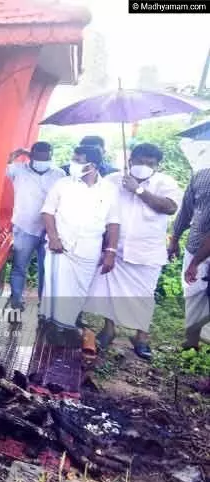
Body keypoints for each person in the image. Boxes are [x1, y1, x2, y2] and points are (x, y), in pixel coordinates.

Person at [83, 144, 181, 360]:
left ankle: (141, 338)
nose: (144, 166)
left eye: (150, 164)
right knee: (110, 291)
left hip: (147, 252)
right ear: (130, 161)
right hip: (116, 248)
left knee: (144, 296)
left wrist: (138, 189)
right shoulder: (112, 180)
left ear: (157, 166)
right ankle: (109, 329)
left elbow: (170, 207)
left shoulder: (166, 183)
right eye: (140, 162)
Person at [40, 146, 120, 345]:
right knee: (56, 288)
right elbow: (47, 212)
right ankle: (54, 328)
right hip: (61, 245)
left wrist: (110, 251)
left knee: (78, 291)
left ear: (91, 165)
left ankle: (66, 326)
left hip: (88, 249)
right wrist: (53, 237)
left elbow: (114, 222)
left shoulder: (109, 189)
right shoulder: (63, 184)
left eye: (77, 160)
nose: (72, 163)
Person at [5, 142, 66, 312]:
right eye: (38, 157)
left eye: (46, 158)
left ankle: (43, 305)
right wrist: (17, 153)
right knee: (19, 267)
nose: (42, 160)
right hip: (24, 227)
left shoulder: (59, 174)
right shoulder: (18, 169)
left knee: (46, 269)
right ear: (31, 155)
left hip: (49, 230)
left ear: (51, 157)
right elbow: (3, 165)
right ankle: (16, 302)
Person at [170, 166, 210, 350]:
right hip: (195, 245)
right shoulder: (201, 176)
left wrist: (195, 263)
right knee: (193, 293)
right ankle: (192, 340)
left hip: (200, 253)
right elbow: (186, 211)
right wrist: (175, 239)